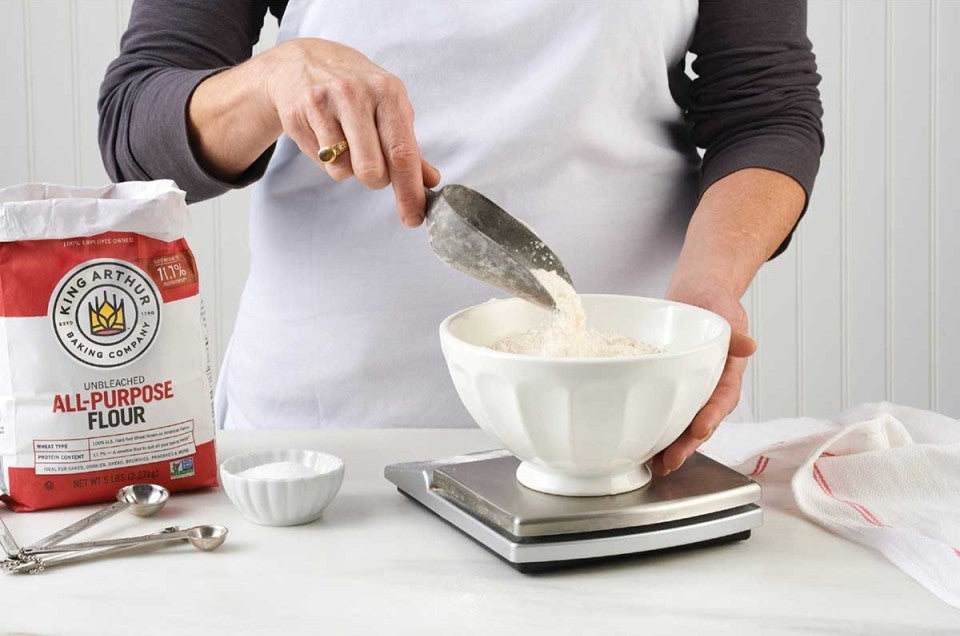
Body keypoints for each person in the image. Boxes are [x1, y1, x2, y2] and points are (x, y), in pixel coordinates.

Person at [99, 0, 823, 476]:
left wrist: (707, 293)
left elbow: (764, 111)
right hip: (332, 442)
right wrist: (273, 80)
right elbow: (137, 127)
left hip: (627, 418)